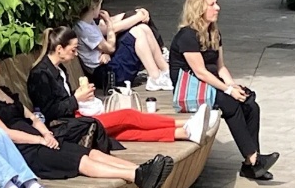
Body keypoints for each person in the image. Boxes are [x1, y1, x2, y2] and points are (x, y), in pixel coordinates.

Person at [0, 48, 174, 188]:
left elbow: (31, 117)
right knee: (79, 160)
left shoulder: (5, 92)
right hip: (23, 151)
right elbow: (4, 133)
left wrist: (46, 133)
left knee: (88, 151)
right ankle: (136, 177)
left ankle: (140, 169)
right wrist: (40, 140)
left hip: (43, 139)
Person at [29, 26, 217, 144]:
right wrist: (76, 99)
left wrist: (80, 98)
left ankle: (183, 133)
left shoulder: (58, 68)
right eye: (73, 49)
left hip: (75, 118)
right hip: (64, 127)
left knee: (127, 131)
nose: (76, 54)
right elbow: (49, 112)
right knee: (128, 116)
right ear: (59, 49)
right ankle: (185, 123)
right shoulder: (41, 74)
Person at [170, 0, 278, 180]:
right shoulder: (187, 36)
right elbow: (200, 72)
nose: (217, 8)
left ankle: (251, 165)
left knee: (251, 104)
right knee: (231, 104)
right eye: (212, 4)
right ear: (199, 8)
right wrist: (228, 90)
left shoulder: (214, 33)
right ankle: (254, 159)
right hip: (192, 89)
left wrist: (234, 86)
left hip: (211, 85)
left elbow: (220, 67)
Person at [75, 0, 173, 92]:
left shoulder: (89, 23)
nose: (101, 8)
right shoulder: (83, 28)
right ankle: (155, 78)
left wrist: (105, 53)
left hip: (106, 66)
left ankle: (166, 70)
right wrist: (109, 23)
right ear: (94, 7)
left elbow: (101, 47)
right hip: (105, 74)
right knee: (137, 32)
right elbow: (110, 48)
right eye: (100, 5)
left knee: (143, 28)